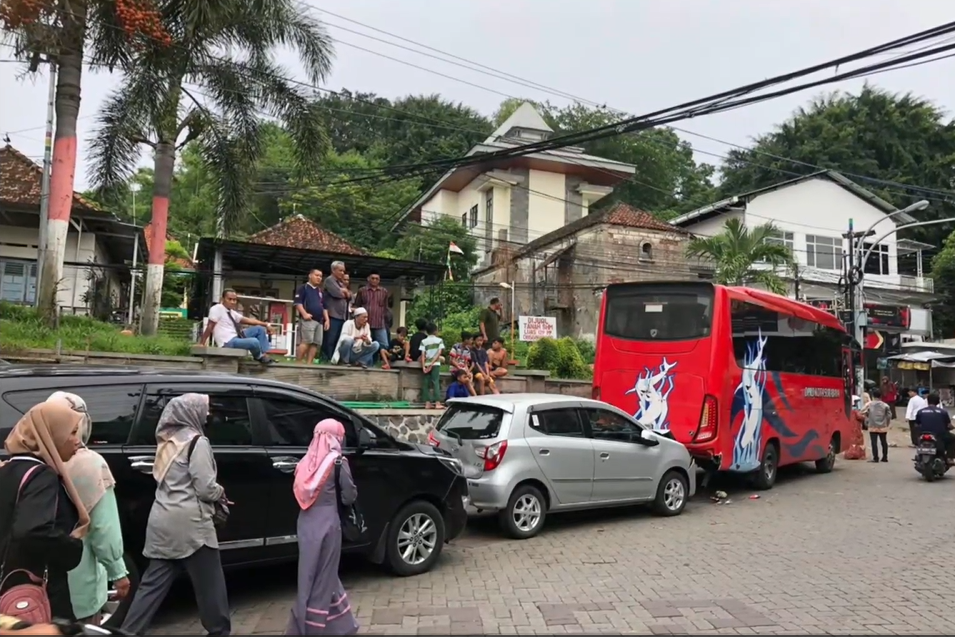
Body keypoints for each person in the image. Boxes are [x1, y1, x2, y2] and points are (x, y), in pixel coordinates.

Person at [120, 394, 231, 636]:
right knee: (210, 587)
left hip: (162, 520)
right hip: (192, 526)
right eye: (205, 409)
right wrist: (220, 491)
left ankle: (129, 632)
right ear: (192, 413)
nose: (208, 414)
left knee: (151, 586)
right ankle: (219, 631)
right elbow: (204, 487)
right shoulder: (197, 442)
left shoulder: (166, 440)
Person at [0, 401, 89, 622]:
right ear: (51, 434)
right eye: (72, 433)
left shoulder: (8, 469)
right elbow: (32, 531)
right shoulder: (42, 476)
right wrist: (72, 547)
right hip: (35, 590)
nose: (78, 441)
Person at [51, 393, 129, 624]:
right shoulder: (90, 463)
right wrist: (118, 572)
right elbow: (103, 527)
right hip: (78, 586)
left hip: (31, 588)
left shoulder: (29, 458)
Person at [285, 419, 359, 636]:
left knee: (309, 574)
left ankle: (342, 624)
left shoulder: (306, 462)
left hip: (306, 523)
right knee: (325, 576)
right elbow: (348, 496)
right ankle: (311, 627)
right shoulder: (337, 462)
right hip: (328, 525)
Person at [200, 288, 275, 365]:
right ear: (222, 299)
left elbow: (249, 320)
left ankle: (265, 354)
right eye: (229, 299)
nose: (232, 302)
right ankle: (259, 356)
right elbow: (210, 326)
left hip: (236, 337)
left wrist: (266, 325)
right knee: (254, 341)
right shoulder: (217, 309)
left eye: (234, 300)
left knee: (259, 329)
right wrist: (202, 343)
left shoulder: (232, 312)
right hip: (227, 342)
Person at [295, 269, 330, 365]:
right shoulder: (303, 288)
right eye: (317, 275)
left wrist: (327, 319)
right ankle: (298, 364)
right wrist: (304, 314)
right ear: (310, 275)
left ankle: (309, 364)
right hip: (308, 320)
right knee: (306, 342)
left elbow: (324, 307)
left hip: (320, 321)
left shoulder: (320, 291)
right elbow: (298, 303)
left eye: (320, 276)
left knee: (315, 343)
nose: (319, 278)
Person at [353, 272, 391, 352]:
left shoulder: (384, 291)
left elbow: (385, 307)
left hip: (380, 323)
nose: (375, 280)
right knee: (365, 343)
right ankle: (368, 361)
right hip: (365, 324)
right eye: (373, 278)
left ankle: (380, 362)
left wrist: (386, 321)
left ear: (379, 280)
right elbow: (357, 306)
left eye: (377, 279)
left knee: (384, 344)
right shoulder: (362, 291)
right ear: (368, 279)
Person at [322, 262, 351, 362]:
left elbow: (349, 295)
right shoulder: (330, 280)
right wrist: (343, 291)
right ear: (333, 270)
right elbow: (338, 294)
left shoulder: (341, 283)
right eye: (340, 270)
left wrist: (345, 291)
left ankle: (335, 359)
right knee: (330, 339)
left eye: (343, 271)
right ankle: (327, 358)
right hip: (332, 315)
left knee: (338, 339)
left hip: (342, 316)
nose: (342, 273)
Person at [915, 393, 955, 461]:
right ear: (938, 402)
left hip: (923, 434)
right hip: (939, 435)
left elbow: (916, 424)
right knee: (953, 438)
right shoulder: (943, 412)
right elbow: (948, 425)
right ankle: (950, 458)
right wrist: (952, 427)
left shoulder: (920, 411)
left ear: (927, 401)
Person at [862, 388, 892, 463]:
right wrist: (887, 423)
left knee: (874, 442)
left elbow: (862, 411)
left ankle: (876, 458)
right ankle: (885, 457)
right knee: (884, 441)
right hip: (883, 426)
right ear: (880, 396)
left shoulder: (869, 404)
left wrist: (867, 417)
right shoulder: (885, 405)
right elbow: (889, 415)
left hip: (872, 425)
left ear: (873, 396)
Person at [420, 323, 445, 409]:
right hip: (435, 364)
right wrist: (432, 363)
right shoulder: (439, 340)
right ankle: (437, 403)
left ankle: (427, 403)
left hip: (426, 364)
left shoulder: (423, 341)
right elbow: (439, 353)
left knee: (426, 383)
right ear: (435, 330)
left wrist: (424, 366)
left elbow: (423, 355)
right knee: (435, 382)